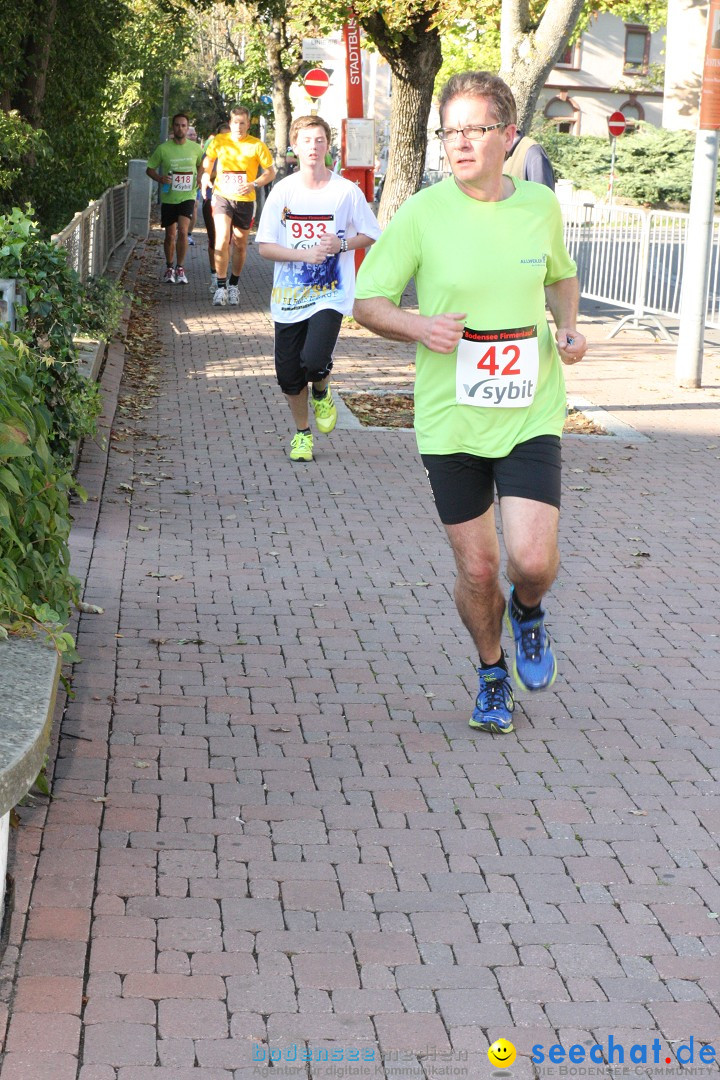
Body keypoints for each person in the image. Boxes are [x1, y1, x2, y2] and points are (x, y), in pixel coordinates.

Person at [353, 71, 587, 735]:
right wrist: (419, 328)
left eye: (474, 129)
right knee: (478, 568)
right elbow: (368, 301)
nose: (458, 143)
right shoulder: (424, 213)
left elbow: (562, 277)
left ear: (508, 136)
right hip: (451, 416)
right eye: (449, 131)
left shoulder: (539, 205)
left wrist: (566, 328)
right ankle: (491, 674)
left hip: (529, 409)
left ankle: (530, 611)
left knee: (531, 562)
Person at [256, 114, 380, 463]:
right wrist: (302, 253)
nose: (313, 146)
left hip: (330, 293)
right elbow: (265, 246)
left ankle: (322, 388)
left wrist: (340, 245)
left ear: (328, 145)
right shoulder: (283, 191)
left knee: (313, 360)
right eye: (306, 140)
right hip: (289, 296)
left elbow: (371, 232)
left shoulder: (345, 191)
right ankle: (302, 433)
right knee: (289, 375)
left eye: (320, 140)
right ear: (295, 147)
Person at [201, 106, 276, 306]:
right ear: (230, 122)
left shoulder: (257, 145)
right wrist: (206, 176)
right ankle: (220, 286)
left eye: (242, 123)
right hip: (223, 196)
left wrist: (254, 183)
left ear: (248, 124)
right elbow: (208, 160)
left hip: (245, 199)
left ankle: (233, 285)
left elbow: (270, 172)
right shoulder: (220, 140)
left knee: (240, 244)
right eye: (235, 122)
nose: (238, 127)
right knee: (222, 238)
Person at [146, 113, 204, 284]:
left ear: (187, 128)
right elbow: (149, 169)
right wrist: (160, 178)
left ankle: (180, 267)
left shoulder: (195, 148)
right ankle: (169, 267)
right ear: (173, 127)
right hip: (169, 196)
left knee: (183, 232)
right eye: (177, 125)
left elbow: (204, 164)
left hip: (188, 195)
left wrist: (199, 177)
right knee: (170, 235)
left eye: (184, 125)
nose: (180, 128)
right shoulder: (163, 149)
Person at [202, 122, 231, 295]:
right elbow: (204, 172)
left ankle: (224, 276)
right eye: (223, 136)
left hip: (235, 199)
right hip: (215, 198)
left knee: (229, 240)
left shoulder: (240, 153)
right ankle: (215, 275)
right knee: (215, 239)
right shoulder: (213, 153)